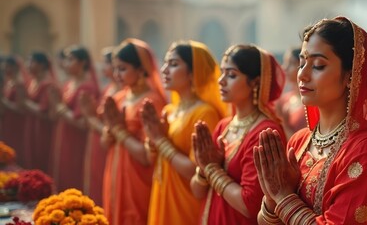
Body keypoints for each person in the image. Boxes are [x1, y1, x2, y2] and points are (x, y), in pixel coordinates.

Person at [254, 17, 367, 224]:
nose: (302, 75)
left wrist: (283, 197)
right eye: (302, 63)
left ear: (351, 75)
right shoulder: (299, 142)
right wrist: (272, 195)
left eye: (318, 65)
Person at [190, 44, 286, 224]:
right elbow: (197, 191)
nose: (221, 80)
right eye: (222, 72)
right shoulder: (224, 126)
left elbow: (249, 205)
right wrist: (203, 170)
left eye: (232, 75)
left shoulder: (264, 133)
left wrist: (211, 170)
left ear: (255, 82)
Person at [141, 41, 228, 225]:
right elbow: (151, 160)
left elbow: (197, 170)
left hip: (187, 202)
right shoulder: (169, 111)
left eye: (173, 64)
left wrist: (160, 140)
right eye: (165, 63)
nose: (164, 69)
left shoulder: (204, 113)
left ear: (192, 73)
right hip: (162, 193)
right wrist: (152, 140)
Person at [81, 39, 166, 224]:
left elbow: (146, 156)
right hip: (115, 173)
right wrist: (107, 130)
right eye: (115, 68)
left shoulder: (152, 103)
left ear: (141, 69)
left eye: (123, 68)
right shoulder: (119, 98)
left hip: (138, 181)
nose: (116, 74)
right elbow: (105, 144)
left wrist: (119, 130)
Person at [49, 45, 100, 192]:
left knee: (74, 176)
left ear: (83, 63)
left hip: (77, 140)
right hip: (65, 136)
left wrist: (60, 107)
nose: (65, 64)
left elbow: (83, 123)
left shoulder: (87, 88)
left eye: (70, 60)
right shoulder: (69, 84)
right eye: (65, 60)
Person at [79, 46, 121, 205]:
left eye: (106, 63)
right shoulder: (109, 88)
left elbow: (111, 129)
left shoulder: (120, 92)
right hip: (97, 141)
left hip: (106, 144)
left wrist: (91, 119)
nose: (103, 67)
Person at [23, 52, 57, 173]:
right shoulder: (33, 82)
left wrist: (25, 103)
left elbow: (44, 111)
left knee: (40, 156)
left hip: (42, 128)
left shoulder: (47, 84)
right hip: (32, 125)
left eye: (32, 62)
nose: (28, 65)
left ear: (42, 65)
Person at [0, 56, 28, 166]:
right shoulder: (8, 83)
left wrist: (4, 102)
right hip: (7, 120)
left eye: (8, 66)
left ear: (15, 68)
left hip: (16, 122)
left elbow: (21, 109)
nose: (5, 69)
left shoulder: (19, 84)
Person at [275, 47, 307, 138]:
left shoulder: (311, 102)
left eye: (291, 63)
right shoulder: (283, 100)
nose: (284, 68)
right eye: (285, 62)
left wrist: (284, 124)